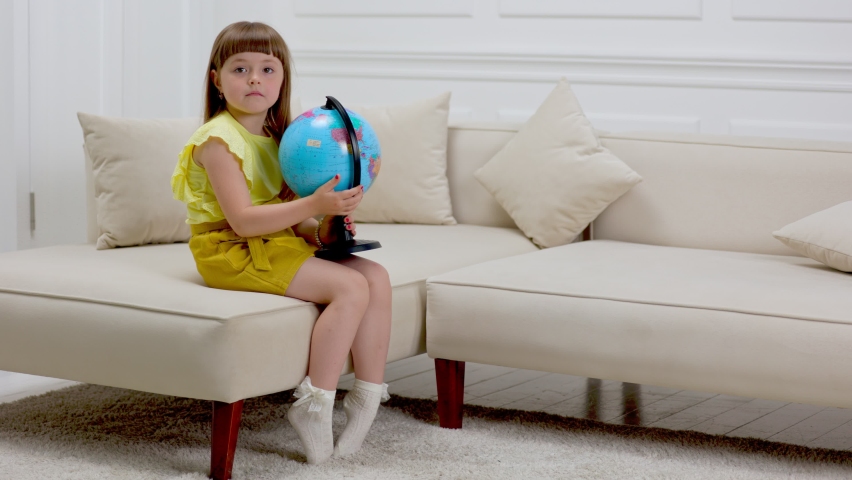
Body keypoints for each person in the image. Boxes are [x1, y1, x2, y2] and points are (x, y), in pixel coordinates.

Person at [170, 21, 392, 465]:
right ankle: (314, 406)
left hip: (273, 240)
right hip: (229, 249)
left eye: (268, 69)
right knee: (349, 287)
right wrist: (313, 201)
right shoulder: (218, 141)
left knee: (377, 277)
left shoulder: (283, 138)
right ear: (216, 79)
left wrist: (325, 221)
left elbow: (287, 215)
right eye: (240, 68)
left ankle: (366, 400)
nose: (255, 79)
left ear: (283, 78)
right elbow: (244, 221)